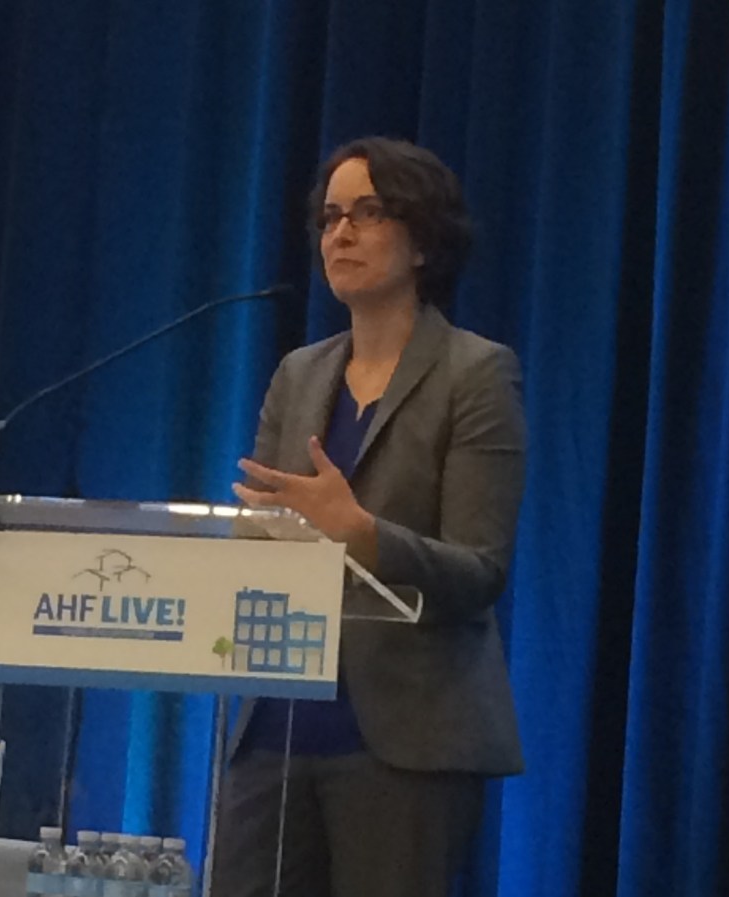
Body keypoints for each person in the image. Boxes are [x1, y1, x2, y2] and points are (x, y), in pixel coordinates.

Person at [212, 137, 526, 897]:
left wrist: (362, 534)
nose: (340, 234)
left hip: (404, 745)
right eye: (329, 218)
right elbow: (262, 528)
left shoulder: (476, 374)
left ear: (422, 240)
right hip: (276, 732)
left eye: (368, 213)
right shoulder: (299, 373)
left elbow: (479, 570)